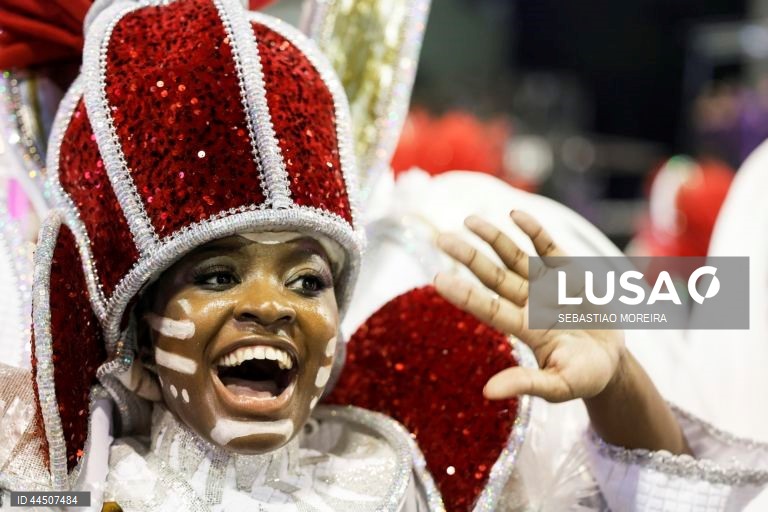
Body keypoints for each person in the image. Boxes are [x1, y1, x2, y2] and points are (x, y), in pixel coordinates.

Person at [1, 1, 767, 511]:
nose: (270, 303)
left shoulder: (463, 235)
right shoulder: (66, 457)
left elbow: (711, 307)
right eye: (217, 274)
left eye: (306, 279)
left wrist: (622, 373)